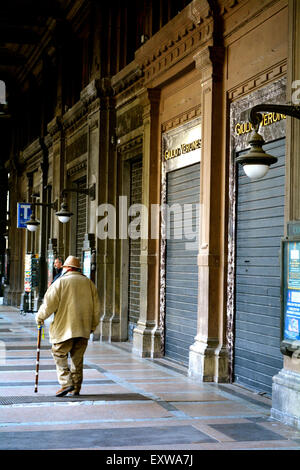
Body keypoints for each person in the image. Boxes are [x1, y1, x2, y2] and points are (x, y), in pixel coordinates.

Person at [35, 255, 101, 397]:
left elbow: (48, 305)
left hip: (63, 329)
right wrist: (92, 326)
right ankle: (76, 387)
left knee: (59, 354)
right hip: (83, 329)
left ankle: (66, 383)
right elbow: (96, 309)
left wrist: (39, 317)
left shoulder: (60, 282)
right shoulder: (89, 283)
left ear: (67, 268)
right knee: (77, 359)